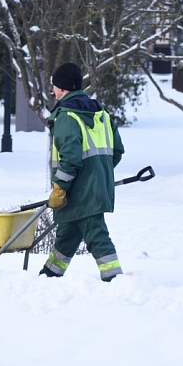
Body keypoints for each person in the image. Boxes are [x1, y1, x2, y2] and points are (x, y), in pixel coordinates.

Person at [40, 62, 125, 282]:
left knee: (96, 234)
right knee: (68, 234)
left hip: (77, 191)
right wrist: (97, 175)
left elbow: (69, 160)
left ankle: (114, 279)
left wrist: (60, 187)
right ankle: (49, 276)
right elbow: (117, 151)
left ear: (62, 88)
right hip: (93, 188)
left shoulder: (67, 116)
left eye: (55, 86)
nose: (53, 91)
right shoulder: (102, 113)